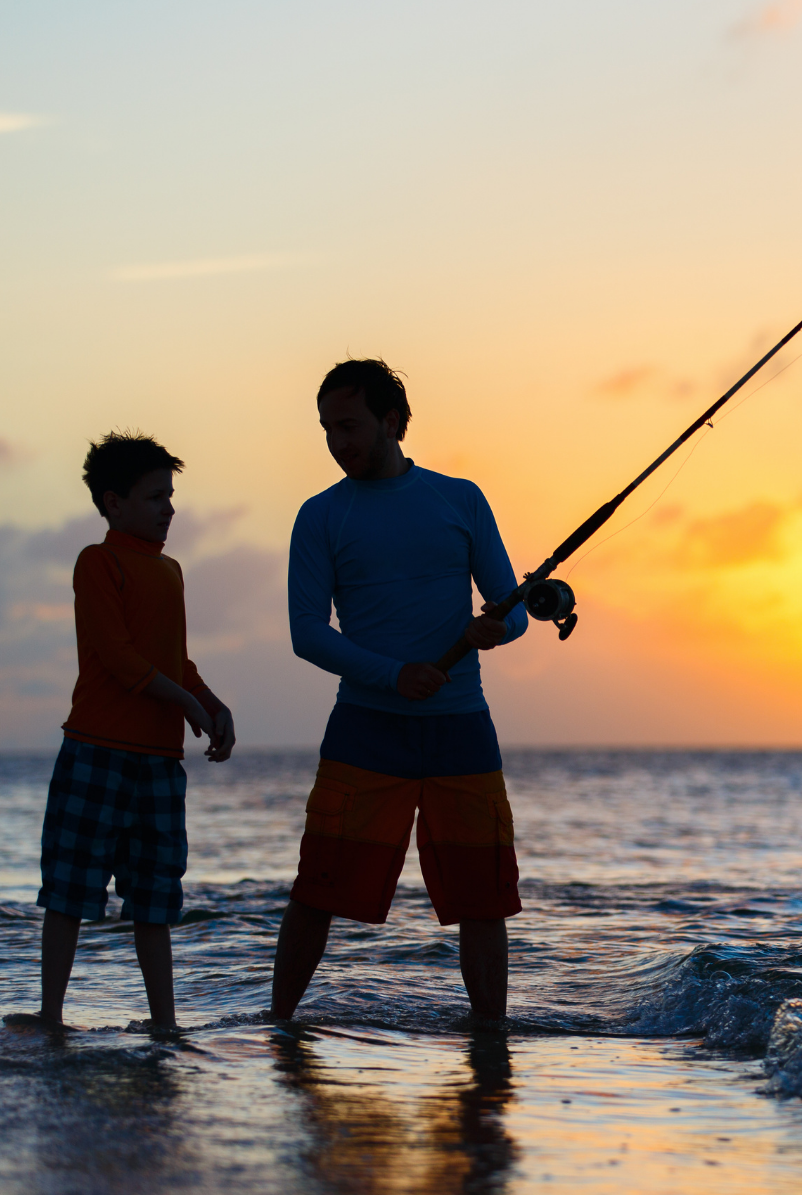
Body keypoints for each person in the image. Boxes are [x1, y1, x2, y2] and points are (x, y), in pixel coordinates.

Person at [271, 358, 527, 1027]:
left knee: (483, 900)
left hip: (461, 728)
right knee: (317, 889)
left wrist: (495, 628)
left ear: (391, 421)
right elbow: (307, 634)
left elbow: (515, 608)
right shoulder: (321, 515)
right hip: (365, 726)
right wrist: (392, 674)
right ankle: (277, 1029)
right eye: (328, 429)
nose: (338, 442)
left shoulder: (460, 499)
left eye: (350, 426)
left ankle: (491, 1041)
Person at [5, 432, 236, 1032]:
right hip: (96, 749)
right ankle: (51, 1013)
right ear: (114, 502)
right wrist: (188, 701)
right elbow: (119, 657)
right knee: (70, 887)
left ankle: (165, 1021)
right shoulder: (97, 562)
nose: (169, 508)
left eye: (171, 495)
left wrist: (211, 704)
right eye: (155, 496)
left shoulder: (171, 571)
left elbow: (174, 658)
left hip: (159, 762)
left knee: (155, 896)